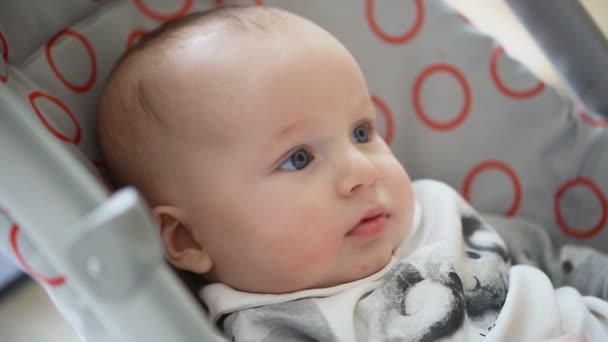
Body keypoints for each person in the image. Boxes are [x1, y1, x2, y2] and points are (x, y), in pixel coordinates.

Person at [97, 6, 605, 341]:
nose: (361, 170)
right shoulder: (274, 328)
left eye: (362, 132)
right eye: (298, 158)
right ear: (188, 236)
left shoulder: (433, 209)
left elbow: (551, 261)